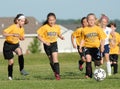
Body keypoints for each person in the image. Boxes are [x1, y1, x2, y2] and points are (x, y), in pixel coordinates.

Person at [37, 13, 64, 80]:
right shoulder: (44, 27)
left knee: (55, 58)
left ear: (55, 20)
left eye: (53, 20)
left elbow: (58, 34)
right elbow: (38, 36)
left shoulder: (57, 27)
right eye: (50, 20)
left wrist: (61, 37)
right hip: (47, 45)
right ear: (47, 20)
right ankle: (55, 71)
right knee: (51, 60)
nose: (51, 21)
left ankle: (58, 74)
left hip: (54, 44)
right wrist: (45, 42)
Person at [3, 14, 29, 80]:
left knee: (20, 51)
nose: (23, 23)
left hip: (15, 45)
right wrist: (12, 34)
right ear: (18, 21)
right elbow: (4, 33)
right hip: (8, 45)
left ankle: (22, 69)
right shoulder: (13, 27)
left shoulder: (22, 29)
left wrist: (22, 38)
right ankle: (10, 76)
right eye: (22, 21)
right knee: (11, 62)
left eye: (24, 21)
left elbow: (21, 37)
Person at [80, 13, 106, 78]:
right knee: (88, 59)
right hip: (88, 47)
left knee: (98, 63)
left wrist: (102, 46)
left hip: (96, 48)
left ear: (95, 20)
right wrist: (80, 46)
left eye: (92, 20)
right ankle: (89, 75)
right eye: (89, 20)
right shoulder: (84, 30)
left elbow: (102, 38)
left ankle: (101, 59)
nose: (91, 21)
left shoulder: (98, 29)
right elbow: (83, 39)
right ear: (87, 21)